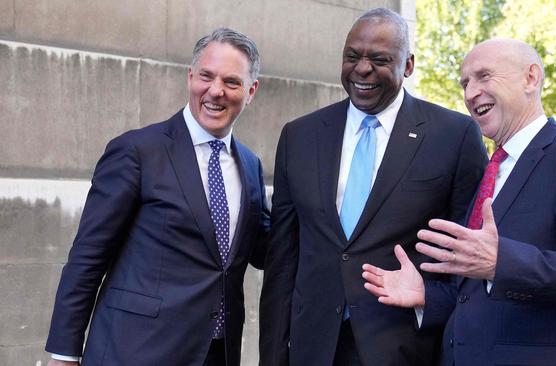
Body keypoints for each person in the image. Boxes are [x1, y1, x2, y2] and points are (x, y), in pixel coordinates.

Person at [362, 38, 556, 366]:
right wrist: (425, 296)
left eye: (484, 76)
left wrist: (500, 262)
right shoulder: (492, 169)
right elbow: (478, 291)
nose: (471, 92)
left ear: (531, 78)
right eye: (465, 83)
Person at [258, 7, 487, 366]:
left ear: (408, 65)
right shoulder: (299, 136)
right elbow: (283, 261)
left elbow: (468, 260)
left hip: (405, 348)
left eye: (379, 59)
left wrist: (430, 301)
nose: (362, 69)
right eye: (352, 57)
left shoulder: (453, 136)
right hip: (313, 348)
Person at [45, 27, 270, 366]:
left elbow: (265, 249)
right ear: (190, 76)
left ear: (251, 90)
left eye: (232, 82)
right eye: (206, 76)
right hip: (134, 351)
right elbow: (88, 257)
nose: (215, 91)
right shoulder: (137, 151)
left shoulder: (251, 166)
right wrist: (64, 353)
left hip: (215, 354)